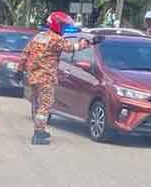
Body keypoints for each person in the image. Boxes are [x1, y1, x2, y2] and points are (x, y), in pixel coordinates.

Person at [21, 11, 95, 145]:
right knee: (45, 106)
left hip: (33, 76)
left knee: (38, 105)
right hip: (46, 78)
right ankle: (38, 133)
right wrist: (88, 42)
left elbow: (25, 53)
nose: (64, 29)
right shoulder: (55, 39)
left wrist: (20, 70)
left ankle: (40, 130)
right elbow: (72, 47)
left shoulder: (39, 36)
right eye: (63, 26)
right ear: (56, 25)